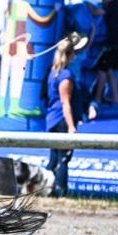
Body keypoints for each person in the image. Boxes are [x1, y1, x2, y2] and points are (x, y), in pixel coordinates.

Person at [43, 38, 79, 197]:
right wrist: (71, 126)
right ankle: (61, 193)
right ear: (71, 54)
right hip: (61, 120)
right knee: (63, 159)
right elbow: (65, 102)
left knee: (54, 157)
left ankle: (46, 189)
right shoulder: (65, 75)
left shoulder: (52, 72)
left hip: (52, 119)